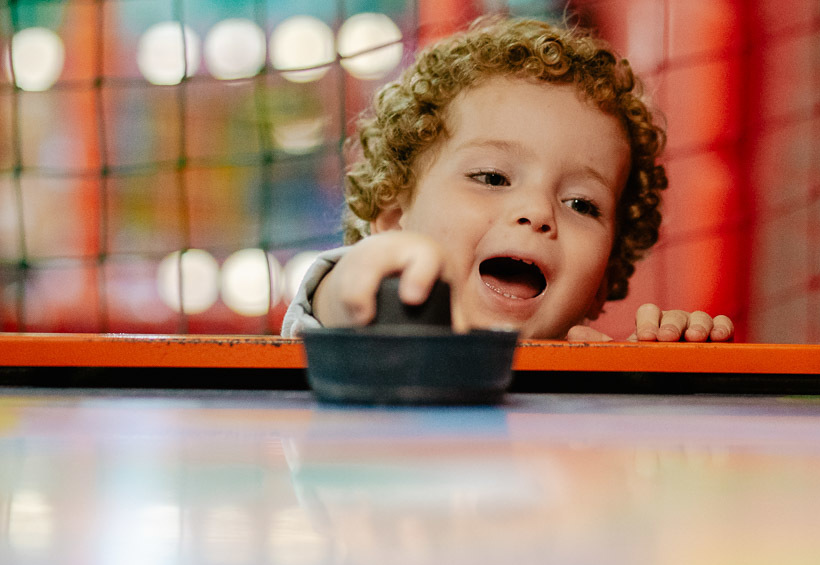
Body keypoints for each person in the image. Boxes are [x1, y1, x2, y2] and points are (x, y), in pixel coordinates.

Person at [282, 16, 733, 342]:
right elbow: (339, 301)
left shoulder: (588, 383)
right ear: (395, 217)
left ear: (603, 279)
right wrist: (364, 278)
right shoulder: (363, 328)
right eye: (493, 178)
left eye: (581, 204)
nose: (538, 212)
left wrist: (656, 379)